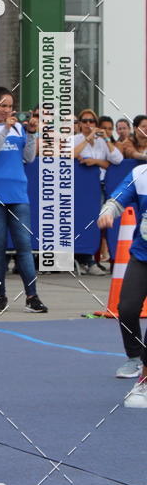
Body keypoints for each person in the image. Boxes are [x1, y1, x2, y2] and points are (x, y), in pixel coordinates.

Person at [0, 87, 47, 313]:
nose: (7, 110)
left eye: (10, 106)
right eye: (2, 105)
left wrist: (31, 134)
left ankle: (32, 296)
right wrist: (5, 129)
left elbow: (29, 158)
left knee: (24, 245)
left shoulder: (19, 129)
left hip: (18, 193)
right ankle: (0, 296)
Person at [97, 165, 147, 408]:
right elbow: (117, 198)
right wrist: (107, 212)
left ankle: (144, 380)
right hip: (142, 255)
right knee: (126, 308)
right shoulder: (140, 174)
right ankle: (134, 356)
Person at [74, 108, 123, 276]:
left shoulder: (102, 141)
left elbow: (117, 160)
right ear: (80, 124)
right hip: (82, 189)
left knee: (100, 222)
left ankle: (94, 258)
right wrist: (87, 139)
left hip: (101, 185)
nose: (89, 124)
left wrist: (106, 141)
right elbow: (70, 154)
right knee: (86, 222)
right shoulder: (75, 139)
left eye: (92, 121)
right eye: (85, 121)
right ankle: (86, 259)